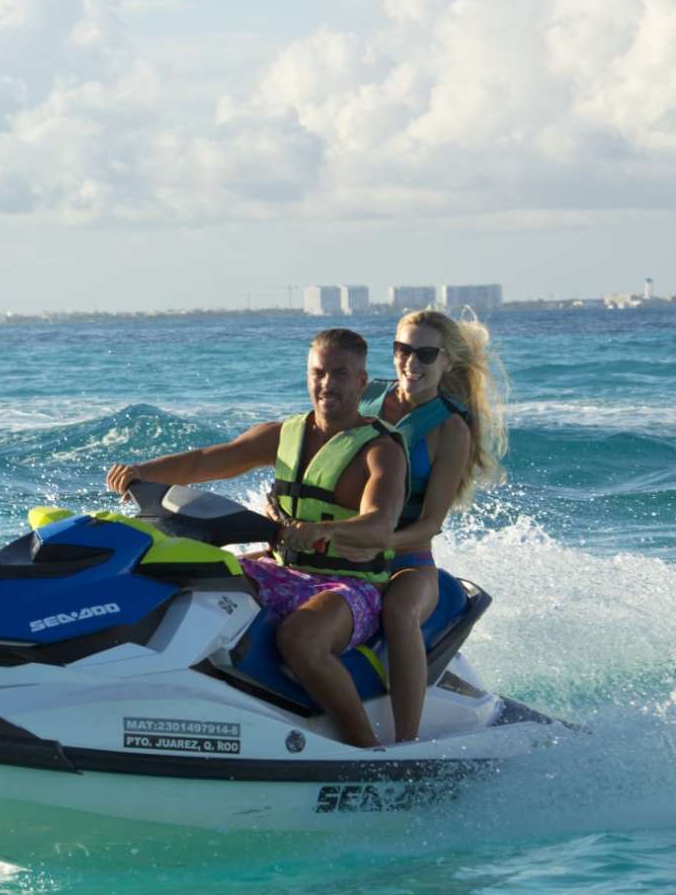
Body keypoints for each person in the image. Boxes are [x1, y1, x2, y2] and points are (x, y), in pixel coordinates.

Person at [105, 328, 405, 748]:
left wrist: (325, 530)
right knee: (186, 584)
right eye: (318, 372)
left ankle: (367, 750)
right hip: (282, 569)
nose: (327, 384)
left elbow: (381, 522)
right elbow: (208, 461)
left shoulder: (380, 450)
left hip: (351, 586)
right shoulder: (283, 435)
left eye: (340, 374)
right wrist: (142, 472)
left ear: (361, 381)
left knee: (301, 638)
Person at [355, 309, 506, 743]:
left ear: (446, 363)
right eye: (403, 350)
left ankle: (406, 741)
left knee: (399, 614)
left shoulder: (450, 429)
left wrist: (379, 543)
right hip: (346, 543)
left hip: (407, 558)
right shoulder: (365, 399)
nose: (411, 363)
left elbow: (429, 525)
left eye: (425, 354)